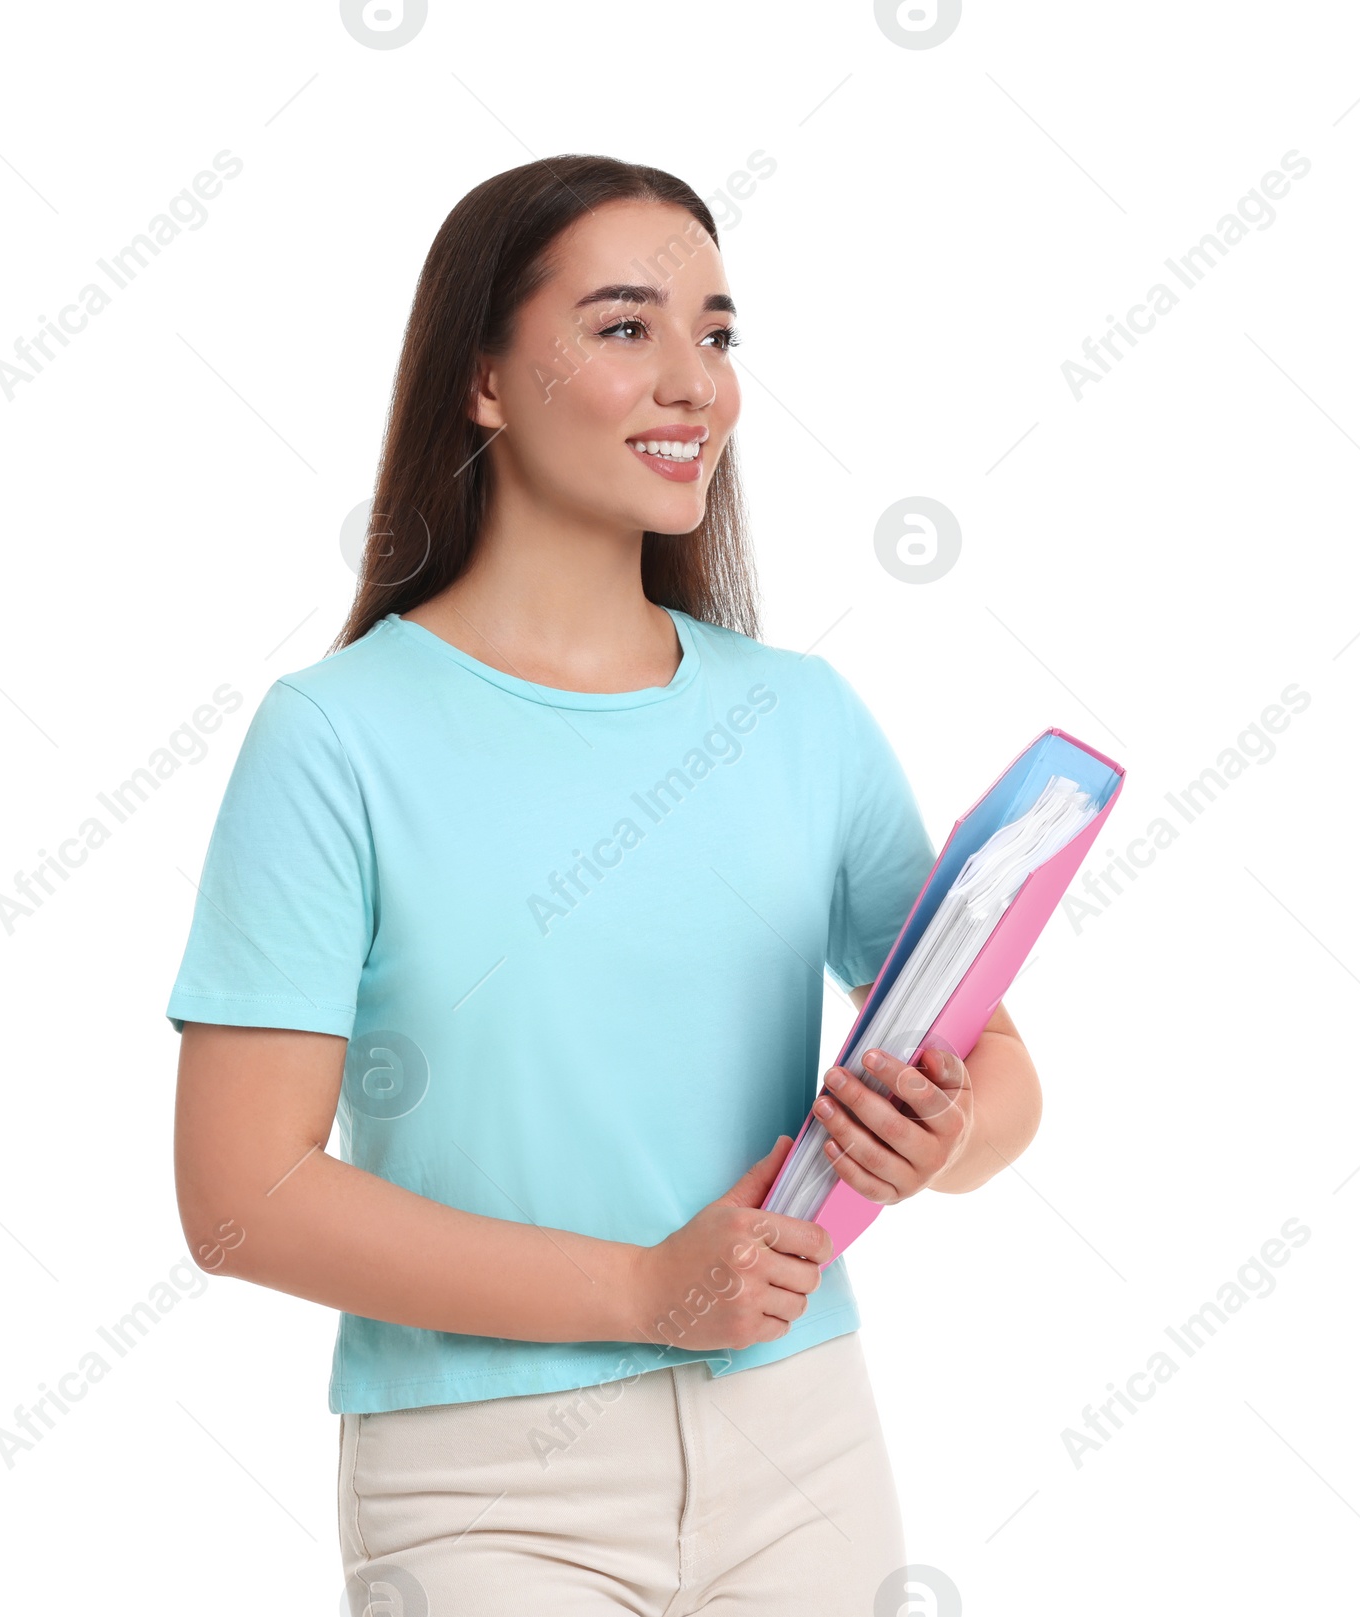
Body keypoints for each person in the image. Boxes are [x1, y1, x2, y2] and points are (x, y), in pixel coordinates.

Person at [167, 153, 1042, 1616]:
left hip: (804, 1435)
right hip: (485, 1478)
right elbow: (240, 1195)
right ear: (486, 380)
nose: (693, 380)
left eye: (717, 331)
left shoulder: (799, 714)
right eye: (627, 327)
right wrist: (643, 1292)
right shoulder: (335, 738)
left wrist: (940, 1135)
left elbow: (1000, 1075)